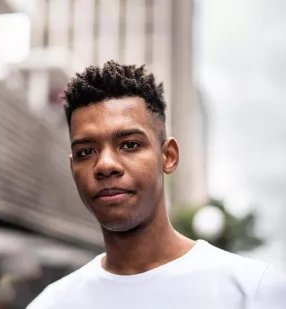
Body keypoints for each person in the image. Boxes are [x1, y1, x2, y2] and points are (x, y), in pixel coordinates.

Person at [27, 61, 286, 309]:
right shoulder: (52, 304)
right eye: (86, 152)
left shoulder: (255, 293)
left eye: (129, 144)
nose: (105, 165)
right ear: (73, 169)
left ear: (168, 156)